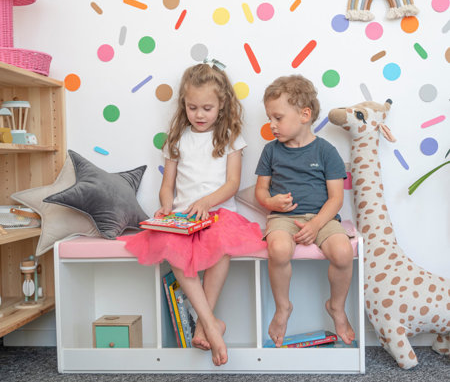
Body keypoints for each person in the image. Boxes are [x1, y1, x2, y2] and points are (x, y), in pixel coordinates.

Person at [120, 61, 266, 366]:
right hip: (184, 217)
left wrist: (207, 202)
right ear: (183, 105)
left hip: (220, 213)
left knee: (221, 248)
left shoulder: (230, 138)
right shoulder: (176, 139)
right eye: (192, 107)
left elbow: (232, 183)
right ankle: (212, 322)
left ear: (222, 104)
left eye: (207, 108)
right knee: (172, 251)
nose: (199, 115)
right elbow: (167, 186)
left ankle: (203, 325)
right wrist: (165, 206)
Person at [254, 75, 355, 348]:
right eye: (269, 118)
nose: (271, 125)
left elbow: (335, 199)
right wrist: (271, 203)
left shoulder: (326, 151)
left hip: (322, 218)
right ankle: (283, 307)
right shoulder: (270, 151)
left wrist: (317, 225)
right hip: (283, 219)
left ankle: (336, 307)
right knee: (278, 250)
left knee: (344, 253)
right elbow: (260, 192)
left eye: (277, 117)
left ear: (304, 115)